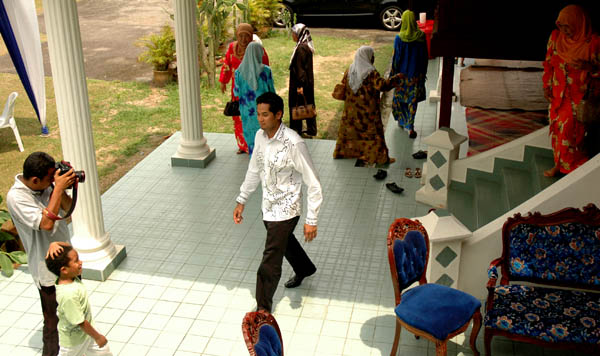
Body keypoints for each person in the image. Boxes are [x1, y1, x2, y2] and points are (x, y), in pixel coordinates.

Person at [233, 92, 323, 313]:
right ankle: (304, 267)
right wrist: (242, 199)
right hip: (268, 207)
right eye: (259, 114)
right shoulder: (259, 137)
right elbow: (254, 169)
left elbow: (313, 181)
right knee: (284, 243)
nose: (260, 119)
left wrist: (311, 218)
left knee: (271, 257)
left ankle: (262, 308)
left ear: (278, 114)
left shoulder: (293, 142)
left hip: (288, 208)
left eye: (265, 115)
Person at [6, 152, 77, 356]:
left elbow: (66, 208)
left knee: (74, 312)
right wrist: (56, 189)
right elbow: (46, 224)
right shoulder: (17, 197)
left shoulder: (48, 184)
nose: (51, 183)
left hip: (68, 260)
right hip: (47, 270)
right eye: (48, 180)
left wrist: (59, 187)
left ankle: (76, 348)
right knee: (53, 321)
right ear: (35, 180)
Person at [542, 4, 600, 177]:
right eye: (561, 26)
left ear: (578, 22)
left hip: (579, 97)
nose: (564, 30)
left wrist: (589, 67)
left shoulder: (594, 42)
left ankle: (574, 170)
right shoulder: (555, 37)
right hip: (557, 95)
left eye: (568, 26)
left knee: (572, 133)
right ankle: (559, 165)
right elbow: (548, 63)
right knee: (557, 129)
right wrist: (546, 85)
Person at [333, 46, 404, 165]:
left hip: (351, 111)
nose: (374, 58)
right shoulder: (371, 73)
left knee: (351, 133)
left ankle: (345, 153)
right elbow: (383, 86)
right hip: (368, 112)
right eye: (372, 55)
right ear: (366, 57)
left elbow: (344, 85)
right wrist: (396, 78)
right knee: (374, 135)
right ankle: (380, 158)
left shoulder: (350, 70)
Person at [46, 245, 112, 356]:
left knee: (104, 353)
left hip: (87, 332)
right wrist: (98, 337)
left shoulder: (71, 278)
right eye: (76, 261)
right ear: (64, 270)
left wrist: (55, 243)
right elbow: (80, 321)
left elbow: (69, 247)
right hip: (74, 341)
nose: (80, 262)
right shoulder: (68, 295)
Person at [220, 23, 270, 154]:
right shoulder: (232, 48)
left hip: (255, 91)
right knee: (239, 116)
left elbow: (265, 67)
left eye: (246, 36)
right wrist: (223, 81)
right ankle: (243, 145)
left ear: (251, 36)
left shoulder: (256, 48)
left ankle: (255, 144)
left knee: (254, 118)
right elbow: (227, 65)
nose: (243, 39)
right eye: (240, 36)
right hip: (239, 89)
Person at [390, 10, 429, 139]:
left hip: (402, 76)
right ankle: (410, 126)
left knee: (400, 99)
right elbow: (424, 57)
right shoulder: (421, 36)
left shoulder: (399, 38)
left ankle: (402, 121)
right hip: (416, 75)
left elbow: (396, 58)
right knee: (412, 101)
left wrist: (393, 74)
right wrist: (423, 73)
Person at [234, 42, 276, 155]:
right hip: (264, 111)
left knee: (251, 138)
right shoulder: (266, 71)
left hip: (247, 112)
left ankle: (255, 162)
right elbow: (271, 91)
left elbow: (236, 92)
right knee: (265, 137)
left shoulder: (238, 72)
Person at [288, 23, 317, 138]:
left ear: (299, 34)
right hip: (307, 83)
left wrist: (300, 86)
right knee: (308, 104)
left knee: (297, 105)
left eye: (294, 33)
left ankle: (296, 129)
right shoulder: (305, 47)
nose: (292, 36)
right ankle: (311, 129)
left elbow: (300, 69)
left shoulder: (301, 49)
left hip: (300, 83)